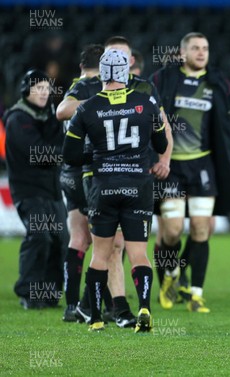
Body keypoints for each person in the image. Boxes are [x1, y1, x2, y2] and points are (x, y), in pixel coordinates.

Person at [56, 36, 172, 327]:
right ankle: (144, 307)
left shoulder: (88, 107)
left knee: (101, 254)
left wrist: (94, 158)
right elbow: (160, 141)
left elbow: (69, 155)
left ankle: (94, 316)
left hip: (103, 185)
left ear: (102, 72)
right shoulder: (145, 102)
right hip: (138, 185)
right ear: (126, 71)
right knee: (138, 254)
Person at [149, 32, 230, 313]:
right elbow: (147, 113)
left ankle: (196, 293)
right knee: (170, 231)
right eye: (195, 48)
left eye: (205, 48)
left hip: (204, 166)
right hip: (170, 167)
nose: (201, 52)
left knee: (201, 228)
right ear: (182, 53)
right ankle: (170, 276)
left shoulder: (218, 83)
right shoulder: (164, 79)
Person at [4, 69, 68, 309]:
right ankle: (29, 293)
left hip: (52, 190)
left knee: (61, 239)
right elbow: (39, 154)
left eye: (46, 88)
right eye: (37, 88)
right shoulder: (17, 118)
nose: (43, 92)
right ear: (26, 91)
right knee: (40, 237)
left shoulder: (49, 116)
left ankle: (50, 294)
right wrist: (64, 152)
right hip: (29, 191)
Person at [58, 44, 106, 322]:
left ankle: (72, 304)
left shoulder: (74, 86)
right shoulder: (90, 87)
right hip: (86, 171)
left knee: (80, 238)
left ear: (80, 65)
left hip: (69, 171)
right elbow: (62, 111)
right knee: (107, 242)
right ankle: (94, 303)